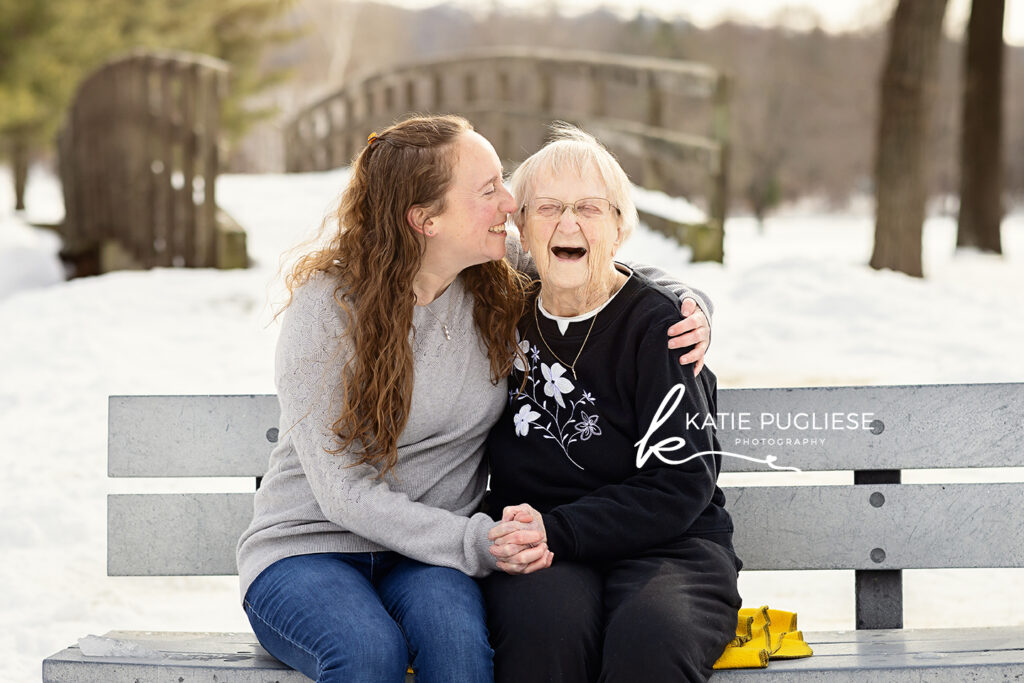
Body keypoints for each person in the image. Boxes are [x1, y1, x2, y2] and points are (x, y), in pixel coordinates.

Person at [235, 114, 714, 683]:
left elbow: (600, 263)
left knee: (461, 656)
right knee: (370, 654)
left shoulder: (490, 272)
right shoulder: (328, 308)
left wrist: (690, 301)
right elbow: (343, 493)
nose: (510, 202)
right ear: (426, 219)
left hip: (426, 557)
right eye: (489, 190)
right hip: (312, 546)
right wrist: (477, 540)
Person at [482, 123, 742, 683]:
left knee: (649, 640)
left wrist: (560, 530)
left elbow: (682, 482)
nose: (568, 224)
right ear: (520, 228)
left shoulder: (661, 325)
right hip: (540, 544)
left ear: (620, 227)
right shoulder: (498, 306)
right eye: (547, 208)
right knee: (542, 633)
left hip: (671, 546)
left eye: (589, 209)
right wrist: (544, 535)